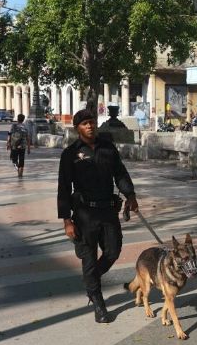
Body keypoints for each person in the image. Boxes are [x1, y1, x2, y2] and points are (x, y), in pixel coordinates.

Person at [58, 109, 139, 323]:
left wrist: (130, 194)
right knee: (89, 257)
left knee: (113, 250)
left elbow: (120, 173)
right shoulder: (70, 154)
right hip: (84, 214)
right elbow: (64, 188)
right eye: (85, 123)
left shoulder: (108, 148)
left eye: (92, 122)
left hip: (107, 210)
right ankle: (97, 300)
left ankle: (91, 278)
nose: (90, 126)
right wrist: (67, 220)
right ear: (78, 128)